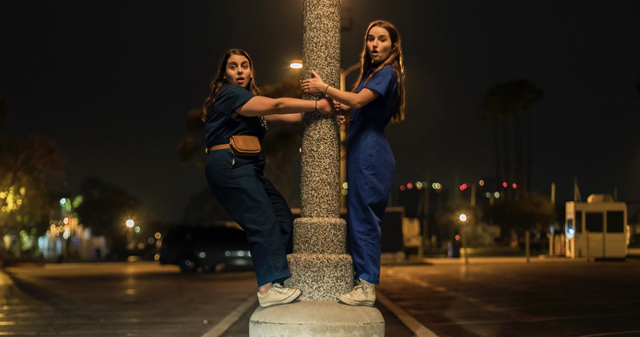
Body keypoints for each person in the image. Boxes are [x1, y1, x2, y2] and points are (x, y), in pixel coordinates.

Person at [203, 48, 338, 307]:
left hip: (249, 167)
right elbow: (276, 104)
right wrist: (317, 103)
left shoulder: (250, 98)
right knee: (262, 219)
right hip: (229, 163)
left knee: (282, 219)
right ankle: (267, 290)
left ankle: (279, 280)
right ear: (225, 74)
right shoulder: (230, 94)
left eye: (245, 65)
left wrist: (325, 111)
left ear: (251, 70)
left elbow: (285, 115)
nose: (240, 70)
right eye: (233, 66)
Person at [301, 20, 406, 306]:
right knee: (359, 218)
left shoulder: (387, 73)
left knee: (364, 220)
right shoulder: (373, 73)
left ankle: (367, 285)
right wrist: (343, 109)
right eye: (370, 38)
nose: (374, 44)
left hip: (371, 151)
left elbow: (359, 101)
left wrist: (325, 88)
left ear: (393, 45)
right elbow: (356, 105)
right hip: (363, 147)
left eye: (382, 39)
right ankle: (363, 280)